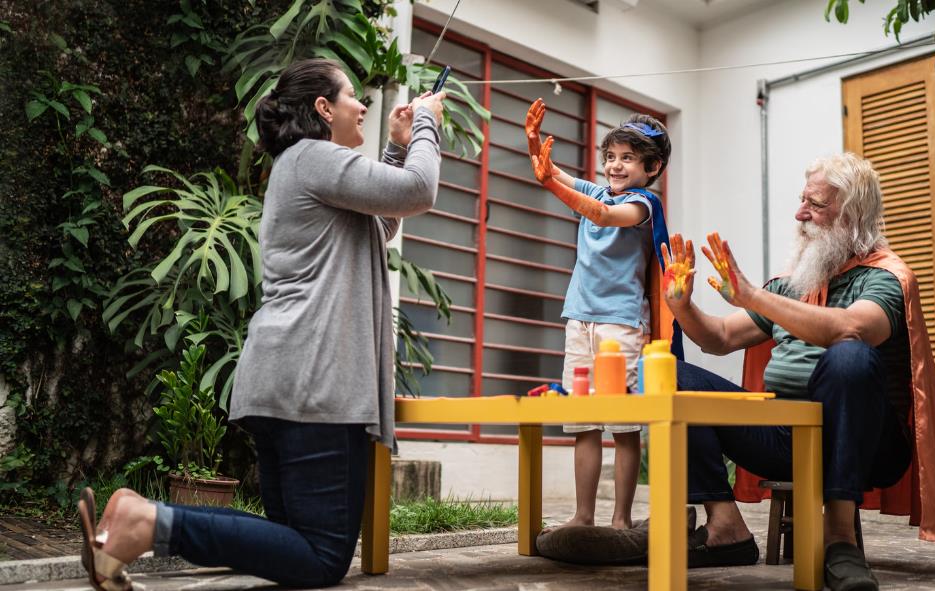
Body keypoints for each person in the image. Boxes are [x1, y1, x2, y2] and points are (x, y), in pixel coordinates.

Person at [75, 58, 446, 590]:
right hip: (316, 383)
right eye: (352, 97)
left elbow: (381, 221)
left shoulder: (302, 166)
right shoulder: (316, 158)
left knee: (292, 538)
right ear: (323, 108)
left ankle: (136, 523)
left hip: (283, 378)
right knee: (320, 558)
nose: (364, 106)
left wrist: (395, 146)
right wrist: (429, 123)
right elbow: (418, 191)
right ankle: (147, 522)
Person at [660, 152, 935, 590]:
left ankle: (839, 538)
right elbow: (720, 337)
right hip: (784, 437)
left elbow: (852, 328)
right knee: (673, 377)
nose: (800, 214)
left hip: (865, 441)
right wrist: (682, 305)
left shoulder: (885, 277)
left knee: (849, 355)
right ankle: (726, 527)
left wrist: (752, 295)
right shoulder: (792, 283)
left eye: (816, 205)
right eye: (802, 200)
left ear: (853, 214)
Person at [525, 98, 680, 532]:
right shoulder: (594, 188)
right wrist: (535, 141)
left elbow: (605, 216)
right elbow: (550, 171)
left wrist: (553, 186)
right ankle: (583, 515)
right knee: (584, 424)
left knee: (624, 426)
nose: (614, 166)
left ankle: (621, 518)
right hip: (580, 319)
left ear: (651, 168)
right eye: (610, 157)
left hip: (621, 324)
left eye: (627, 159)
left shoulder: (643, 204)